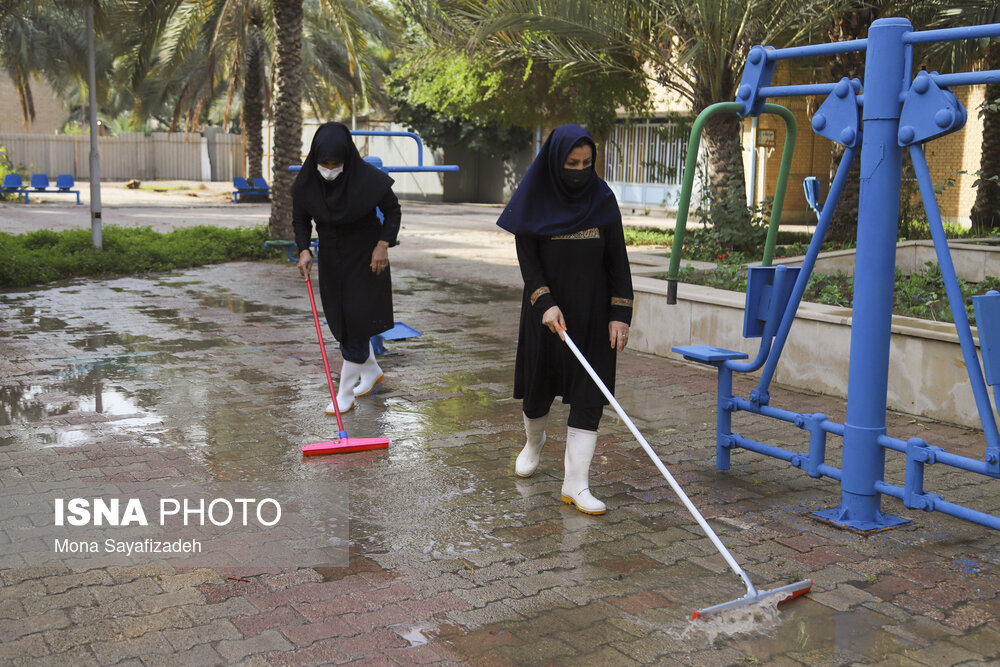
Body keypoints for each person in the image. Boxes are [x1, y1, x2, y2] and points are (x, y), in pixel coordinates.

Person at [497, 124, 634, 515]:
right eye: (571, 163)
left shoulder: (602, 199)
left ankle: (576, 484)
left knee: (591, 395)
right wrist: (545, 303)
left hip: (593, 314)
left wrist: (619, 314)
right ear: (556, 162)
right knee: (538, 389)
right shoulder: (535, 198)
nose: (579, 170)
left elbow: (617, 261)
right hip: (548, 314)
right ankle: (533, 443)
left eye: (586, 163)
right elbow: (529, 262)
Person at [292, 121, 400, 413]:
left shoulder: (368, 178)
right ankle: (371, 371)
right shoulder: (307, 182)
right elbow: (300, 218)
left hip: (366, 257)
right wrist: (304, 249)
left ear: (347, 159)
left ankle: (345, 394)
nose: (329, 168)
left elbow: (392, 211)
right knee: (342, 321)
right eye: (323, 163)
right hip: (331, 257)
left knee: (356, 322)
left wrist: (382, 245)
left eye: (335, 163)